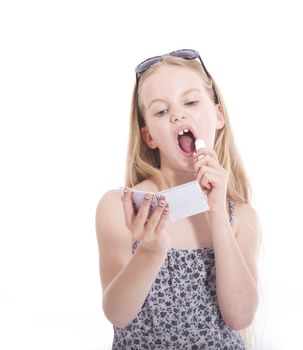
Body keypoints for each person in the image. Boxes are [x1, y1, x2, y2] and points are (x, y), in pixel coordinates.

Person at [95, 49, 262, 350]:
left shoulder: (242, 216)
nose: (178, 115)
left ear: (219, 115)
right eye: (161, 111)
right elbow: (118, 314)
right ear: (149, 137)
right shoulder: (122, 206)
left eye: (191, 101)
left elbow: (240, 317)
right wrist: (150, 250)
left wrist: (218, 217)